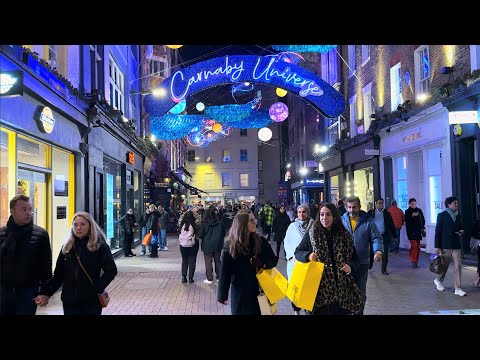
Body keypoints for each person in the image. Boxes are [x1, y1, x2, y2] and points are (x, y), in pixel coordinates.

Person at [34, 211, 117, 315]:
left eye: (83, 224)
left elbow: (111, 271)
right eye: (75, 224)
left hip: (91, 301)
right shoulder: (67, 247)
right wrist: (45, 293)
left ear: (90, 226)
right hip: (70, 301)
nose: (78, 228)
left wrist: (96, 288)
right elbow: (58, 276)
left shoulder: (99, 246)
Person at [294, 203, 364, 315]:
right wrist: (308, 255)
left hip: (341, 289)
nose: (324, 218)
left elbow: (355, 259)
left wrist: (350, 267)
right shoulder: (312, 233)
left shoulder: (344, 235)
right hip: (319, 289)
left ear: (334, 217)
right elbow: (298, 252)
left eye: (328, 215)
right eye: (322, 215)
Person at [217, 210, 278, 315]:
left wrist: (262, 263)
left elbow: (273, 260)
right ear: (242, 224)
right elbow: (225, 272)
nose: (255, 222)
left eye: (254, 220)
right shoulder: (231, 245)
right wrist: (222, 295)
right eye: (251, 220)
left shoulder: (260, 241)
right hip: (240, 293)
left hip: (258, 291)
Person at [0, 195, 52, 315]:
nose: (28, 213)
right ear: (12, 211)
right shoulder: (2, 234)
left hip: (28, 292)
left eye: (30, 209)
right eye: (24, 209)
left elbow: (46, 266)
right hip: (4, 291)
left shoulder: (40, 235)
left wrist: (45, 292)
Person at [341, 196, 383, 315]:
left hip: (362, 263)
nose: (351, 210)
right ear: (346, 207)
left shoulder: (368, 221)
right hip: (345, 263)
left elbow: (376, 238)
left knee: (360, 293)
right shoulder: (341, 220)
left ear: (359, 207)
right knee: (345, 292)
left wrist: (378, 251)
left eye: (354, 207)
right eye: (349, 207)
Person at [283, 204, 314, 315]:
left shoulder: (313, 226)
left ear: (308, 213)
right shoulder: (292, 226)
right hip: (294, 263)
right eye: (299, 212)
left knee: (308, 289)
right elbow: (287, 242)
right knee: (296, 289)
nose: (301, 214)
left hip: (309, 263)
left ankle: (308, 310)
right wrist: (291, 256)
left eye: (304, 212)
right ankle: (297, 311)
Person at [433, 197, 466, 296]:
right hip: (445, 245)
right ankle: (438, 280)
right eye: (455, 203)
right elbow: (438, 231)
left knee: (458, 266)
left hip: (456, 244)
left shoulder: (458, 216)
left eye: (457, 203)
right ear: (448, 205)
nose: (457, 205)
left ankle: (457, 288)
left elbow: (461, 227)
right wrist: (437, 246)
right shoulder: (442, 216)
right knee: (444, 265)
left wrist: (461, 231)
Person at [368, 198, 396, 275]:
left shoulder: (387, 213)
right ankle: (370, 265)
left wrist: (394, 235)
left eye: (382, 203)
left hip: (384, 236)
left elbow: (391, 225)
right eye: (379, 203)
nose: (381, 204)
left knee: (385, 253)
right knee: (371, 251)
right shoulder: (371, 213)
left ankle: (384, 269)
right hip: (373, 236)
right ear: (375, 203)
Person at [198, 208, 226, 284]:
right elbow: (224, 233)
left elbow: (200, 235)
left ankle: (209, 278)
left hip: (207, 245)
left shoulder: (203, 224)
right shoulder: (220, 223)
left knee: (208, 262)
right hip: (218, 245)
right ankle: (219, 277)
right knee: (218, 261)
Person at [179, 211, 200, 283]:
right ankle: (191, 278)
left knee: (184, 260)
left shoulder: (181, 224)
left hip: (183, 245)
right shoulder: (195, 224)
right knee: (192, 260)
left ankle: (183, 277)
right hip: (192, 244)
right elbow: (198, 233)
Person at [404, 198, 425, 268]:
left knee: (418, 247)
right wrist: (412, 216)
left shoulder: (419, 210)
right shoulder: (407, 211)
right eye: (412, 204)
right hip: (411, 232)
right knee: (414, 246)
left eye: (414, 204)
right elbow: (406, 220)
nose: (413, 205)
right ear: (409, 204)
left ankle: (416, 261)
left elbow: (422, 220)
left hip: (418, 231)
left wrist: (423, 228)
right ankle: (413, 261)